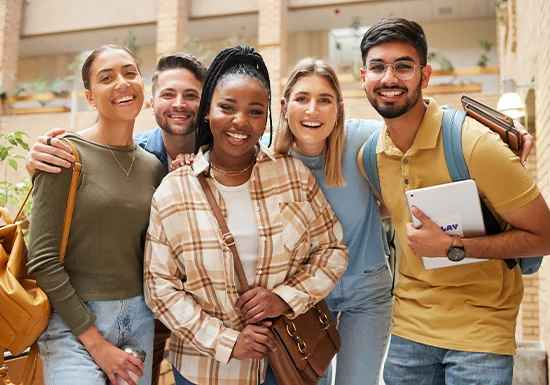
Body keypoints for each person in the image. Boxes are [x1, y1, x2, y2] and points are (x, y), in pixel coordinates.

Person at [357, 17, 550, 385]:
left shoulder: (473, 144)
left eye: (403, 66)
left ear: (425, 76)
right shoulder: (371, 156)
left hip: (480, 332)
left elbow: (545, 235)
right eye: (378, 67)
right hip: (408, 332)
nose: (389, 78)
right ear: (363, 76)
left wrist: (453, 247)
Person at [143, 45, 348, 385]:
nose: (241, 121)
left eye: (255, 111)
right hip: (205, 369)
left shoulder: (292, 175)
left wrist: (284, 298)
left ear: (267, 116)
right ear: (207, 111)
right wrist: (227, 341)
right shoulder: (172, 191)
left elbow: (332, 250)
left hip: (285, 361)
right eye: (227, 107)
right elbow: (159, 287)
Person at [24, 53, 208, 385]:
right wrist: (95, 342)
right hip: (74, 322)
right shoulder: (65, 153)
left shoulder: (152, 166)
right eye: (106, 77)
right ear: (89, 96)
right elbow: (42, 260)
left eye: (129, 73)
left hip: (139, 318)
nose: (122, 83)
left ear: (141, 86)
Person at [274, 57, 391, 385]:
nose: (313, 110)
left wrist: (502, 133)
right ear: (284, 106)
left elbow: (420, 134)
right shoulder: (268, 165)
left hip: (365, 291)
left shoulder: (365, 140)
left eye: (324, 100)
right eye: (302, 98)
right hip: (306, 296)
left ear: (338, 108)